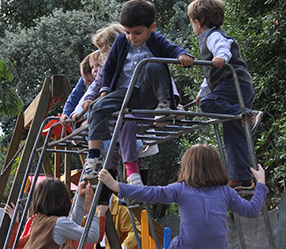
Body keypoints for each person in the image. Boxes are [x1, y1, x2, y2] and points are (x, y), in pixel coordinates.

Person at [82, 0, 194, 184]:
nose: (132, 37)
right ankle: (93, 157)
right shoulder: (120, 42)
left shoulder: (156, 40)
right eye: (127, 32)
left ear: (151, 27)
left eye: (137, 33)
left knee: (154, 65)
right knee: (97, 107)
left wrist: (183, 55)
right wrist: (105, 91)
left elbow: (171, 49)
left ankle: (164, 105)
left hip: (146, 93)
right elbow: (109, 67)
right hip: (124, 93)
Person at [98, 143, 269, 249]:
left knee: (175, 243)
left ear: (188, 167)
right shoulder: (225, 192)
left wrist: (117, 186)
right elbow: (252, 210)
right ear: (216, 167)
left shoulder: (181, 189)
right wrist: (260, 184)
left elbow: (151, 193)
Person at [187, 0, 263, 190]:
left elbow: (223, 47)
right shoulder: (207, 38)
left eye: (191, 23)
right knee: (233, 135)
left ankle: (248, 114)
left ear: (197, 22)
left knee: (208, 104)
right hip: (232, 87)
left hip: (235, 86)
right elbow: (210, 74)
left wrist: (221, 57)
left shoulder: (212, 36)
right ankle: (241, 177)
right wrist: (202, 92)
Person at [4, 178, 106, 248]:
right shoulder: (58, 223)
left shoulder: (40, 220)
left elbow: (73, 224)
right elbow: (93, 236)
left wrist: (80, 198)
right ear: (63, 199)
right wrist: (91, 208)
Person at [59, 53, 95, 126]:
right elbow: (74, 96)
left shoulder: (97, 83)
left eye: (88, 81)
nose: (85, 82)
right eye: (83, 78)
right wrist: (66, 113)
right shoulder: (84, 79)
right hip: (81, 114)